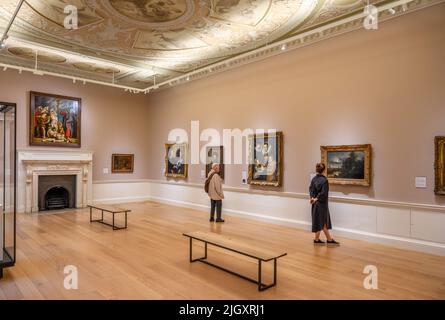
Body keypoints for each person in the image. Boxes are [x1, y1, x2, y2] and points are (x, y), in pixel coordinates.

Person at [309, 163, 340, 246]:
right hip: (321, 204)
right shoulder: (324, 180)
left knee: (320, 221)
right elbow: (324, 193)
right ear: (324, 170)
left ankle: (317, 239)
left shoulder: (314, 179)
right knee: (323, 222)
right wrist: (316, 198)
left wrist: (312, 198)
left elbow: (311, 189)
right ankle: (329, 240)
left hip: (314, 203)